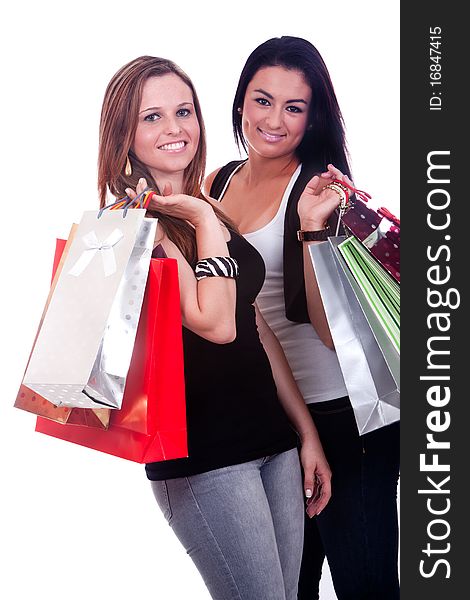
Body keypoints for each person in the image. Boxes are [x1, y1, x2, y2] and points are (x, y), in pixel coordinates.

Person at [97, 55, 331, 600]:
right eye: (151, 117)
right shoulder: (132, 224)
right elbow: (216, 324)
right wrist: (203, 221)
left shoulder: (205, 204)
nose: (174, 128)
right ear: (123, 133)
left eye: (183, 111)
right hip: (204, 459)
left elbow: (254, 325)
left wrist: (306, 434)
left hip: (272, 442)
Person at [205, 36, 400, 600]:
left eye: (294, 107)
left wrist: (314, 231)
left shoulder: (317, 190)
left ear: (313, 118)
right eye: (262, 100)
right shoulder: (217, 183)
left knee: (365, 584)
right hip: (273, 421)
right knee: (290, 586)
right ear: (241, 100)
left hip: (345, 415)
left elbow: (330, 331)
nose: (274, 120)